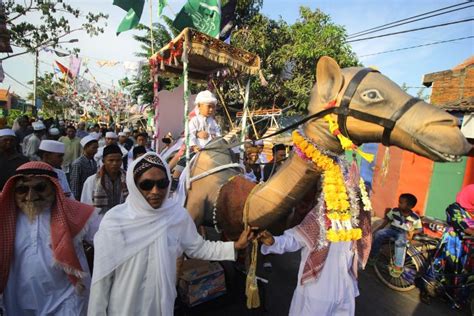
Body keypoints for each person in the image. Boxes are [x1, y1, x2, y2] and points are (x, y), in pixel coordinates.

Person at [87, 152, 254, 315]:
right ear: (134, 185)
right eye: (146, 184)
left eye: (162, 183)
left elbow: (198, 247)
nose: (155, 191)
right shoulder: (115, 222)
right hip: (125, 307)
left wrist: (235, 246)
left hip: (162, 305)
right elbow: (102, 280)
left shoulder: (177, 216)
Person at [0, 162, 98, 315]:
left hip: (65, 300)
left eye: (39, 188)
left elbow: (108, 239)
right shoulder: (4, 218)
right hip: (17, 301)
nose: (30, 196)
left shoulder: (76, 214)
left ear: (53, 187)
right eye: (22, 189)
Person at [257, 209, 361, 315]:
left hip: (345, 292)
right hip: (317, 291)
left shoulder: (358, 217)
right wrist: (274, 241)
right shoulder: (320, 215)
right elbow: (295, 239)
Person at [370, 193, 422, 272]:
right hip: (392, 230)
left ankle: (398, 266)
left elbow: (420, 229)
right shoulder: (394, 211)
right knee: (379, 234)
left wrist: (413, 232)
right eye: (399, 202)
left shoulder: (415, 217)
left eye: (401, 203)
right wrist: (379, 228)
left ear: (410, 206)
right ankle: (373, 256)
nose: (398, 204)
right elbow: (386, 220)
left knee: (400, 241)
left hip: (404, 233)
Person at [81, 144, 128, 220]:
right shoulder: (92, 181)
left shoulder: (127, 179)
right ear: (103, 161)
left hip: (123, 219)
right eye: (111, 160)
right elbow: (86, 205)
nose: (115, 163)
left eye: (118, 160)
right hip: (99, 221)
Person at [70, 135, 99, 200]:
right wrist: (76, 200)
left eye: (97, 148)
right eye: (93, 148)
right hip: (81, 195)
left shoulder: (93, 161)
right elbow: (75, 184)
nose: (96, 150)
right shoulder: (78, 163)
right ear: (86, 147)